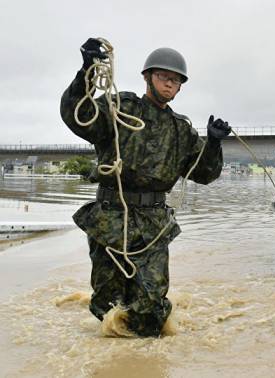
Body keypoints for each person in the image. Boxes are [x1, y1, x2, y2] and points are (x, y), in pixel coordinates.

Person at [59, 38, 231, 337]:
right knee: (108, 305)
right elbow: (80, 116)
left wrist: (213, 143)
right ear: (148, 77)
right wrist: (87, 70)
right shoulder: (120, 107)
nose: (169, 84)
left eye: (176, 80)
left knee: (151, 307)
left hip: (153, 223)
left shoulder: (181, 129)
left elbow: (205, 174)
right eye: (164, 76)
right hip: (111, 218)